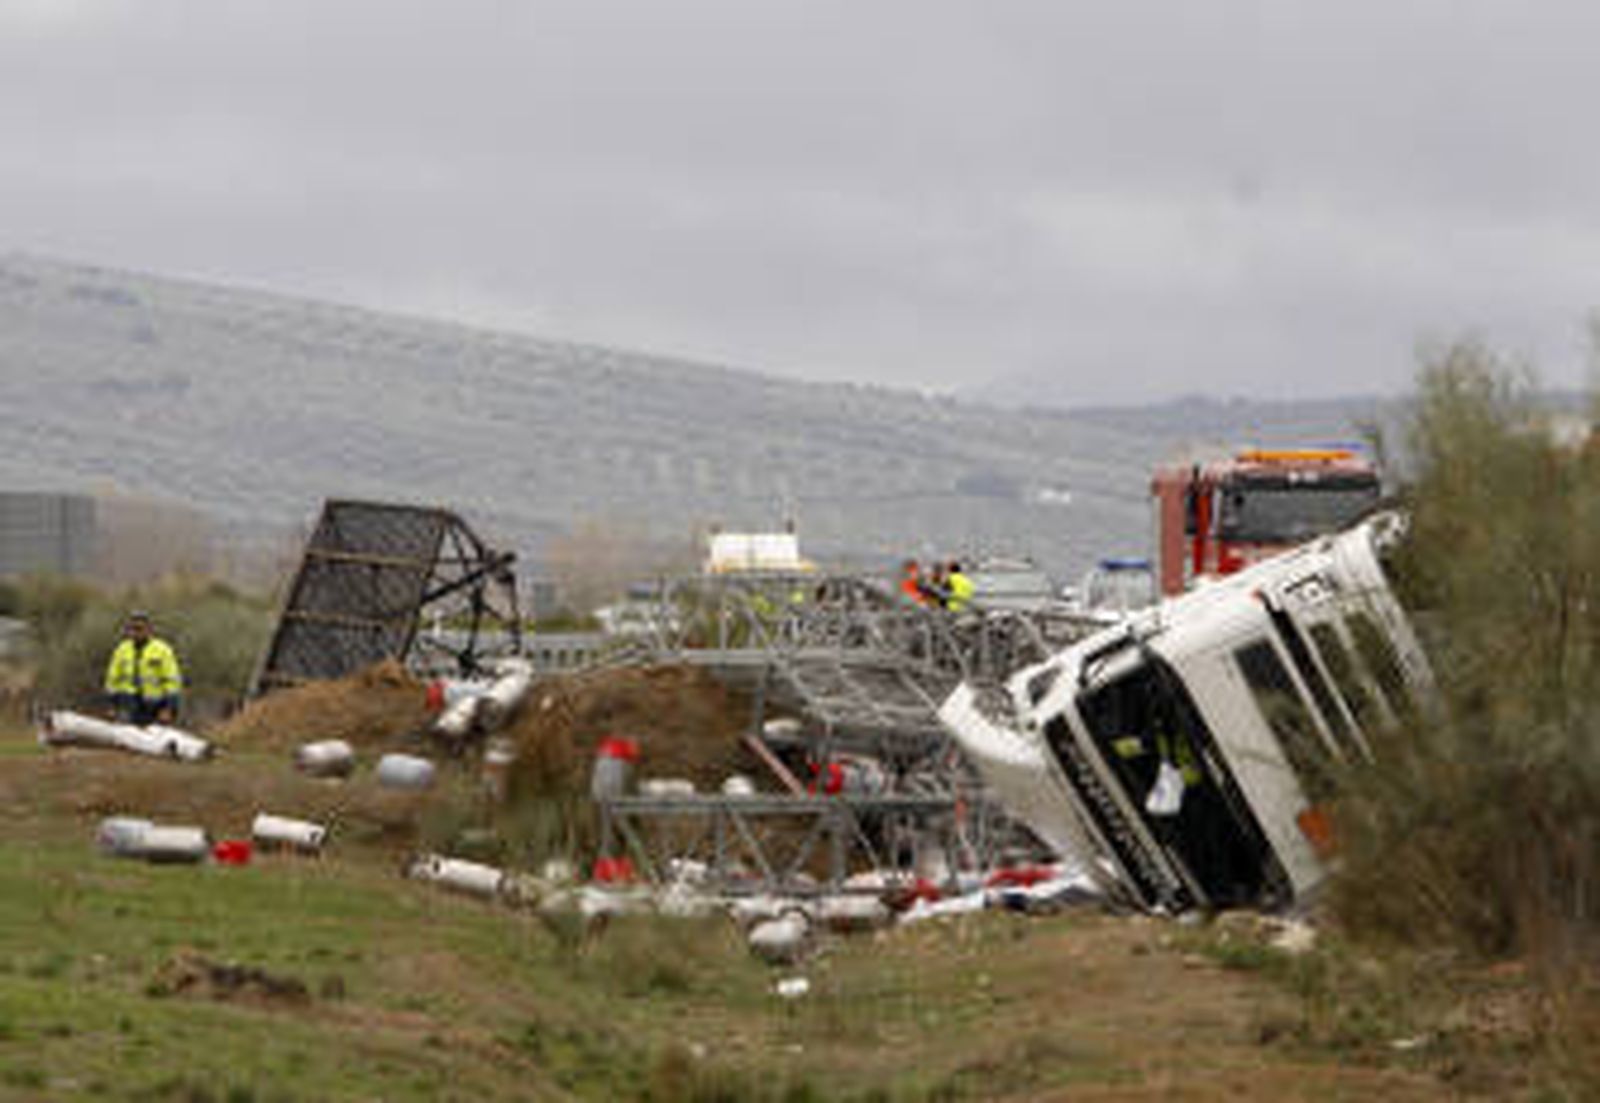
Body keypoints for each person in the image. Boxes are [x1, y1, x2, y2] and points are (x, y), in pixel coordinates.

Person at [104, 610, 183, 726]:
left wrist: (169, 708)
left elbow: (172, 682)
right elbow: (112, 680)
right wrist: (111, 706)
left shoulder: (162, 650)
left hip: (155, 706)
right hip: (128, 705)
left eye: (140, 629)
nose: (136, 633)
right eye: (132, 629)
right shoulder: (122, 650)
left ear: (149, 630)